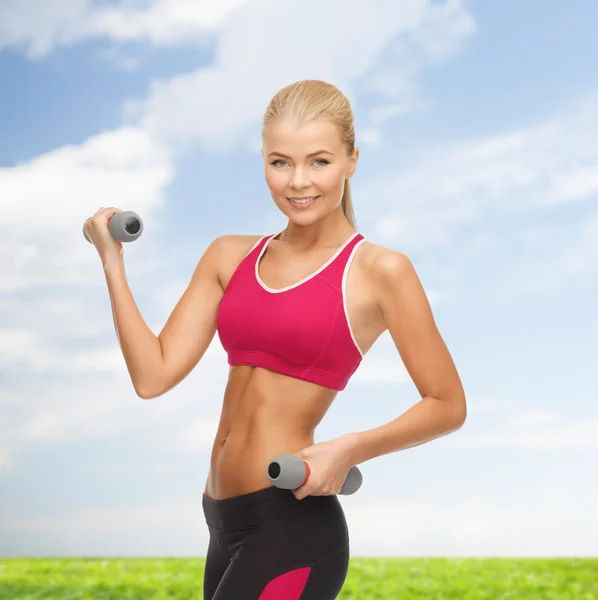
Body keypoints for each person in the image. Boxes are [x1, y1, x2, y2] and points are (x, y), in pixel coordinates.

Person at [83, 79, 467, 600]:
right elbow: (152, 376)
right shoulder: (228, 256)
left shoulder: (380, 271)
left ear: (352, 161)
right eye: (280, 162)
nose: (298, 181)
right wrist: (112, 261)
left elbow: (447, 404)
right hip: (221, 519)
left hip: (291, 523)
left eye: (320, 162)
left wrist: (348, 450)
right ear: (262, 160)